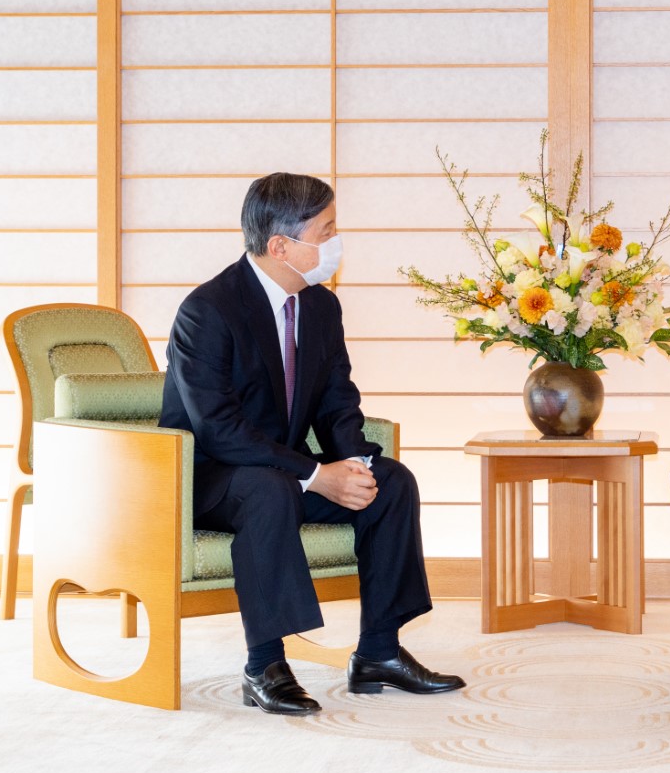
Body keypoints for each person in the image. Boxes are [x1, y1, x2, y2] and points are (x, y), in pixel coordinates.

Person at [159, 172, 465, 715]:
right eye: (325, 232)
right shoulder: (208, 310)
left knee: (391, 481)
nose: (335, 243)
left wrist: (354, 462)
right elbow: (217, 428)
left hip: (282, 467)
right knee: (266, 491)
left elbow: (336, 401)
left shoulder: (321, 306)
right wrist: (315, 475)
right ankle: (265, 666)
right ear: (280, 245)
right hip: (210, 475)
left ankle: (379, 653)